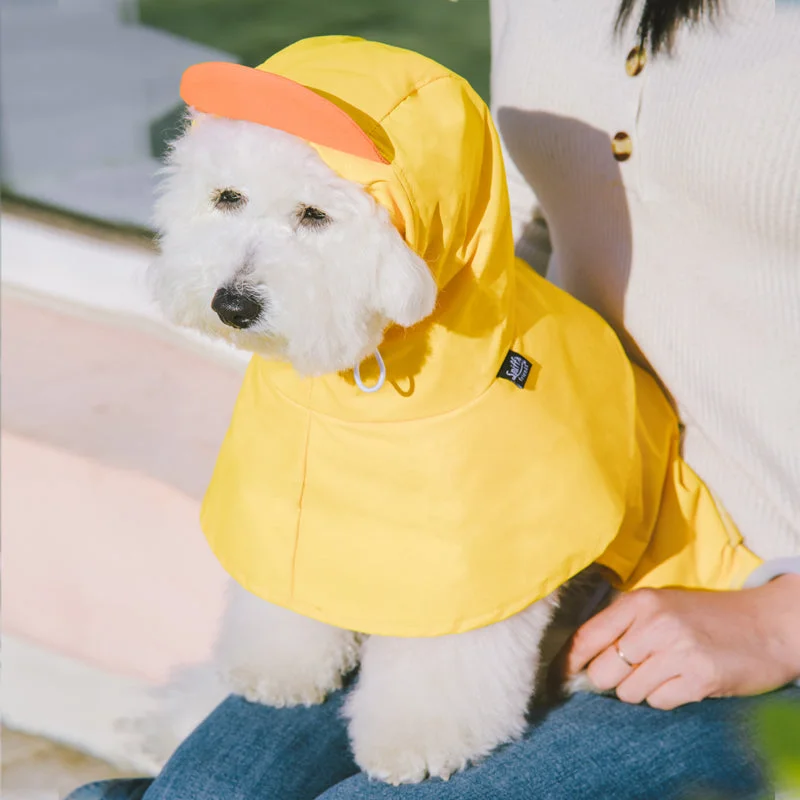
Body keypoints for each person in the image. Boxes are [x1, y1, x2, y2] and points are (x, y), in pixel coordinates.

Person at [68, 0, 800, 798]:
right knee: (208, 789)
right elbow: (533, 224)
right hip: (516, 479)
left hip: (754, 573)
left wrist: (778, 622)